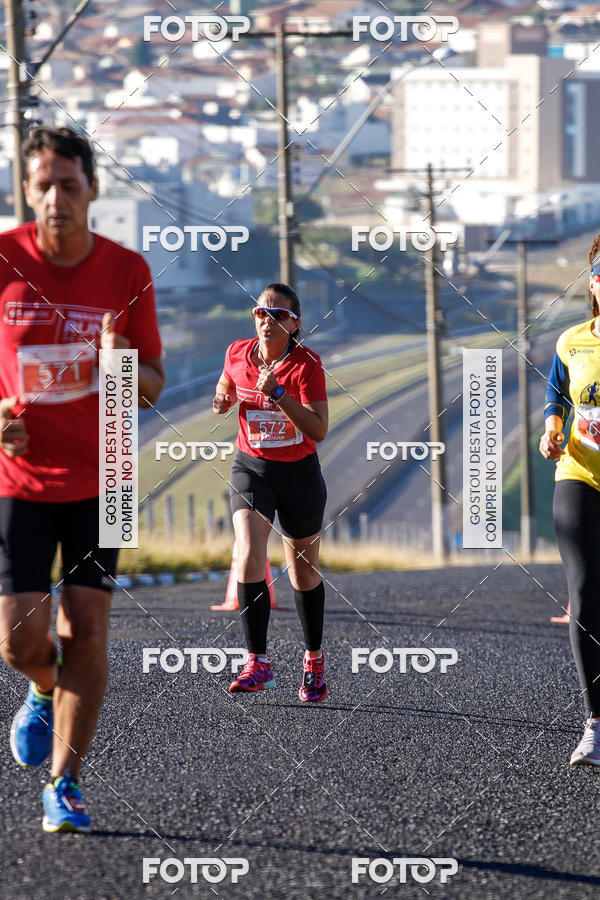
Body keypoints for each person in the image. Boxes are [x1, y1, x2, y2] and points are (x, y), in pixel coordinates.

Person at [0, 126, 164, 831]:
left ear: (92, 190)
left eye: (69, 185)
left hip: (110, 473)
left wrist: (120, 364)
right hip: (20, 478)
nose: (56, 199)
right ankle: (43, 687)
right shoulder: (4, 260)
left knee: (87, 629)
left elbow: (152, 386)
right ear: (26, 191)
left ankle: (63, 783)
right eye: (44, 185)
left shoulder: (126, 270)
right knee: (19, 642)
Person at [213, 283, 329, 701]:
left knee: (302, 572)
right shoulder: (236, 352)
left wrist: (279, 394)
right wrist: (222, 399)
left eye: (279, 315)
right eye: (262, 312)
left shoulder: (307, 365)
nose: (268, 320)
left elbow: (318, 428)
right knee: (248, 553)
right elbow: (226, 383)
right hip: (252, 470)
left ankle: (313, 660)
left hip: (299, 475)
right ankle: (257, 662)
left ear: (294, 324)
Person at [540, 234, 600, 765]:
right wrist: (552, 428)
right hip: (579, 472)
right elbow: (556, 394)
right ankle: (595, 724)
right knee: (584, 593)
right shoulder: (571, 341)